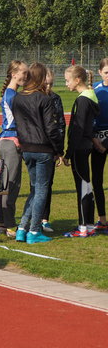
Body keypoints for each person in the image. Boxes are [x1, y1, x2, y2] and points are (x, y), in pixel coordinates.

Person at [12, 63, 65, 244]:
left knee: (35, 190)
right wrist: (59, 150)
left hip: (26, 149)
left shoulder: (18, 98)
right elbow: (52, 128)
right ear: (41, 78)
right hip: (43, 149)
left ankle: (22, 228)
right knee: (41, 190)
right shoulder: (45, 99)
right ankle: (34, 231)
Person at [62, 65, 101, 238]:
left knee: (83, 187)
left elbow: (78, 129)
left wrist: (69, 152)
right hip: (86, 146)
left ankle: (83, 227)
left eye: (67, 80)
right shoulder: (90, 96)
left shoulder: (83, 100)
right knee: (87, 185)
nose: (66, 84)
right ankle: (90, 225)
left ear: (78, 80)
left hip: (80, 148)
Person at [0, 60, 28, 237]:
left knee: (5, 182)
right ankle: (9, 224)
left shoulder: (11, 93)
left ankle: (2, 222)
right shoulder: (12, 95)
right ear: (14, 73)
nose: (26, 76)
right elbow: (19, 121)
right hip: (11, 140)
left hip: (6, 140)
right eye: (23, 72)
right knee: (11, 183)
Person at [41, 68, 67, 233]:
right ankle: (34, 218)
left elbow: (61, 125)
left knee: (48, 183)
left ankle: (45, 219)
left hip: (51, 147)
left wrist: (59, 151)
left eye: (51, 84)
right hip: (36, 146)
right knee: (36, 184)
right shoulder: (34, 97)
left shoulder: (56, 99)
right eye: (46, 84)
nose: (48, 87)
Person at [91, 58, 108, 234]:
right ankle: (102, 218)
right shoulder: (94, 89)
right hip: (97, 140)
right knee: (97, 179)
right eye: (106, 73)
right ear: (100, 72)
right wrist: (96, 140)